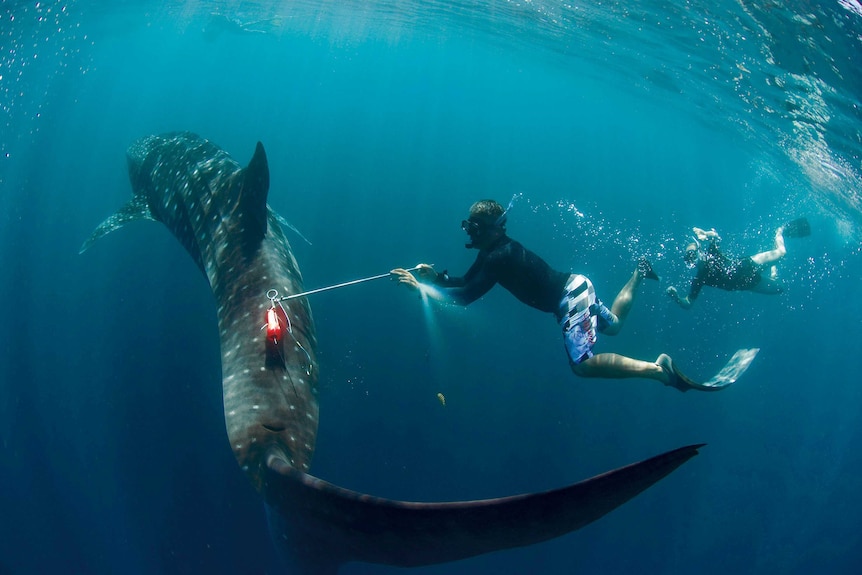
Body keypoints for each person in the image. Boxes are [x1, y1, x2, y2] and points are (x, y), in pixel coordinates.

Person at [390, 199, 691, 392]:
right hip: (577, 287)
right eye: (468, 224)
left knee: (582, 365)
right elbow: (465, 281)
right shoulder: (492, 251)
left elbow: (465, 297)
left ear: (493, 229)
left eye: (475, 226)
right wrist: (436, 278)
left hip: (570, 299)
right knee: (614, 327)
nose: (470, 231)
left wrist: (421, 290)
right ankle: (639, 271)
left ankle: (659, 371)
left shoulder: (499, 256)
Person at [666, 218, 810, 310]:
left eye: (693, 254)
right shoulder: (699, 279)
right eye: (689, 258)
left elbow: (716, 236)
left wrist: (707, 233)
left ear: (699, 251)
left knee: (782, 252)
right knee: (780, 288)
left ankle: (779, 232)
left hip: (748, 265)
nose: (692, 259)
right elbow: (688, 303)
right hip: (748, 284)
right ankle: (772, 270)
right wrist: (676, 298)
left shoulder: (711, 252)